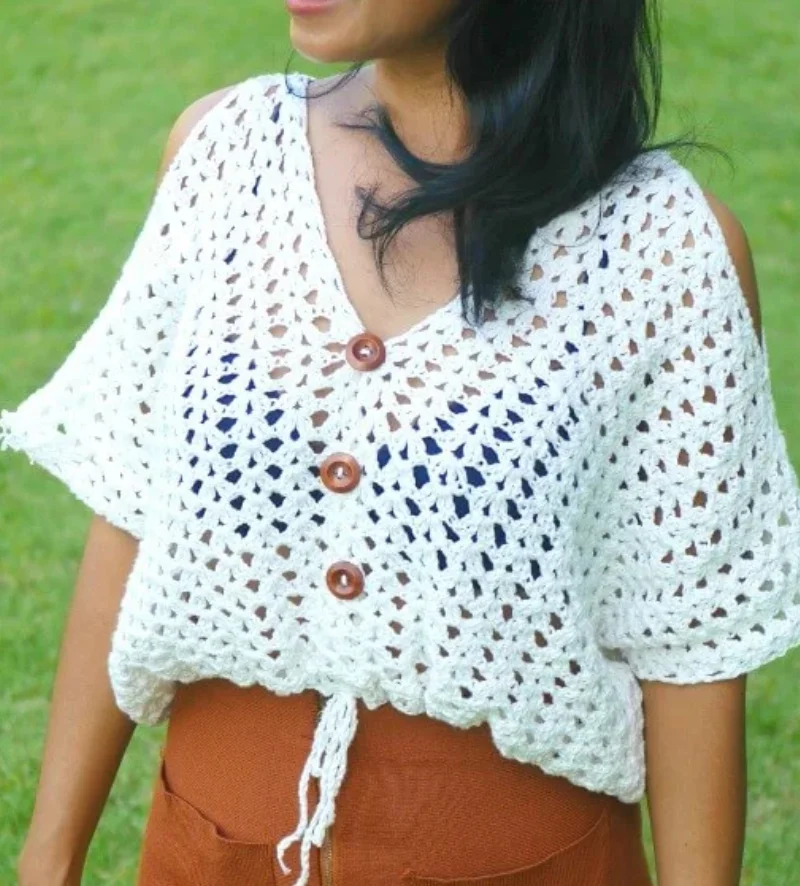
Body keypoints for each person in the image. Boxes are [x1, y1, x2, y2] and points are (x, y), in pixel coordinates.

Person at [7, 1, 800, 884]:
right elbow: (129, 512)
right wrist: (49, 858)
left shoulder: (666, 252)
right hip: (205, 856)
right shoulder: (225, 154)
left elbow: (687, 651)